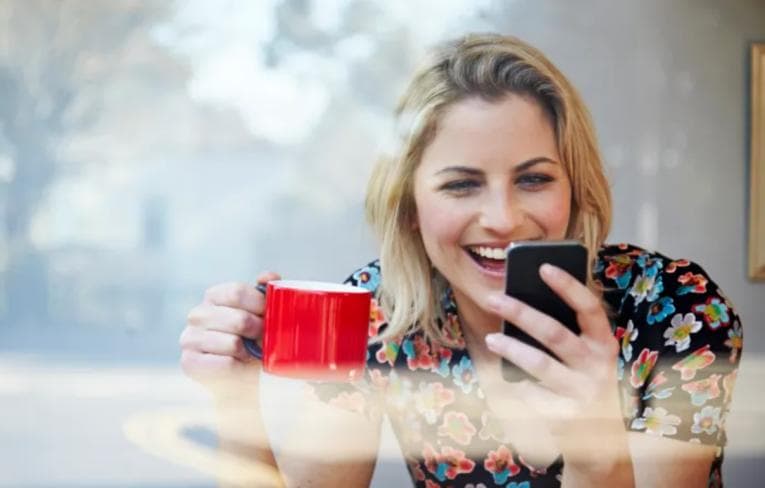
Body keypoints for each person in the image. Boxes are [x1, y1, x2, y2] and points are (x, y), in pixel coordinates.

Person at [179, 33, 742, 487]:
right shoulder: (378, 314)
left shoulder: (677, 309)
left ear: (575, 188)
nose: (502, 217)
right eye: (461, 185)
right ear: (410, 209)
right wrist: (235, 401)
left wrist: (596, 446)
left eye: (534, 179)